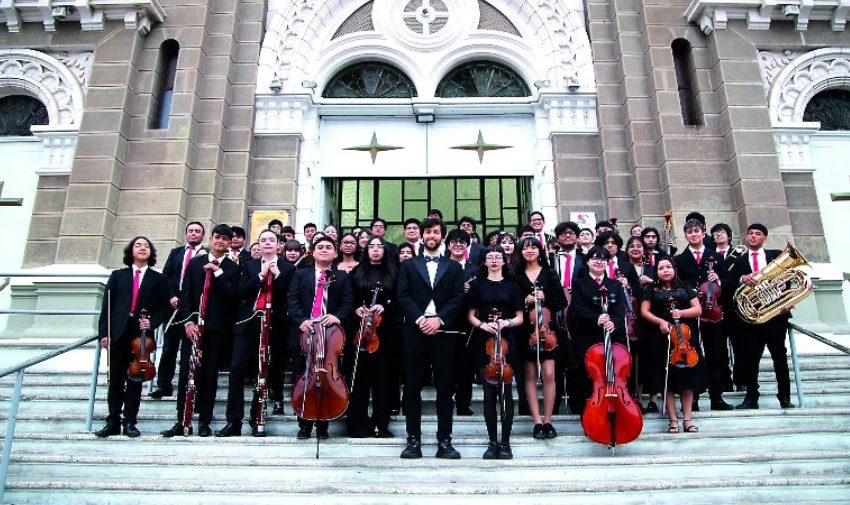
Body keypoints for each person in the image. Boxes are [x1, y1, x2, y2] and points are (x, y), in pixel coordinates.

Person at [162, 224, 239, 438]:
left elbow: (233, 298)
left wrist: (219, 273)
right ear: (211, 239)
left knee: (210, 375)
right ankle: (182, 420)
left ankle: (205, 421)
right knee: (187, 372)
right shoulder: (196, 264)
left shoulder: (232, 269)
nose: (220, 241)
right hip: (193, 328)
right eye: (217, 237)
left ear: (229, 242)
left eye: (225, 239)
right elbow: (185, 295)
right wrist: (188, 322)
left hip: (216, 330)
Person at [397, 218, 465, 459]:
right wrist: (420, 320)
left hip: (443, 333)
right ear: (422, 236)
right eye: (428, 232)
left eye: (436, 232)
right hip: (415, 332)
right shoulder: (409, 265)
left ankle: (444, 441)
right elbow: (402, 296)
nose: (432, 236)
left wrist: (439, 319)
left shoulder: (454, 267)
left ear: (442, 236)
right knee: (412, 387)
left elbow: (458, 298)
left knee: (445, 388)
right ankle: (413, 440)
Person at [216, 230, 295, 437]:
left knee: (266, 372)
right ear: (258, 245)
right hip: (247, 323)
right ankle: (233, 421)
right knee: (237, 368)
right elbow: (239, 292)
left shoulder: (288, 268)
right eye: (263, 240)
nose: (267, 243)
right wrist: (261, 276)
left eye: (272, 240)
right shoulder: (249, 266)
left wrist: (276, 274)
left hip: (275, 325)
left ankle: (257, 418)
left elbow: (291, 294)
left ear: (279, 245)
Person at [94, 237, 170, 438]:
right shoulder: (118, 276)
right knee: (116, 379)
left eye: (146, 246)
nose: (142, 248)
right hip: (118, 332)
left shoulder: (158, 278)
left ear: (151, 253)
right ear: (131, 251)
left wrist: (152, 322)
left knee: (136, 378)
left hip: (141, 336)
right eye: (138, 245)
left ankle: (130, 421)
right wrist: (104, 333)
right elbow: (107, 306)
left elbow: (164, 308)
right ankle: (112, 421)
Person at [287, 235, 355, 439]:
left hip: (330, 335)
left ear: (335, 253)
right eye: (320, 247)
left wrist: (337, 317)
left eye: (328, 247)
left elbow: (348, 302)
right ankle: (304, 422)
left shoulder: (342, 277)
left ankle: (324, 422)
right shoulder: (301, 275)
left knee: (328, 378)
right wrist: (301, 321)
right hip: (305, 333)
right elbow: (293, 299)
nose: (324, 250)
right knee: (304, 376)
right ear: (313, 252)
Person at [728, 224, 797, 410]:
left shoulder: (775, 256)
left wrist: (786, 303)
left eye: (757, 234)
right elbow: (730, 282)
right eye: (750, 234)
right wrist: (742, 279)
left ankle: (785, 397)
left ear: (764, 237)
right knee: (751, 358)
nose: (753, 237)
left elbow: (787, 279)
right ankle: (752, 397)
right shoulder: (739, 261)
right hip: (753, 317)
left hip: (775, 316)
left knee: (779, 358)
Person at [467, 245, 524, 459]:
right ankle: (492, 442)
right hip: (485, 342)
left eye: (497, 257)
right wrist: (483, 325)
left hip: (508, 341)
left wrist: (506, 322)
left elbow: (520, 317)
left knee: (506, 393)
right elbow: (471, 315)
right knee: (489, 394)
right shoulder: (477, 286)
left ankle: (506, 442)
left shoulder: (513, 286)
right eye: (489, 257)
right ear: (484, 262)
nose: (493, 260)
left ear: (503, 261)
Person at [640, 256, 706, 434]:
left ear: (674, 269)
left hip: (684, 339)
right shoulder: (651, 289)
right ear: (656, 272)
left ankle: (688, 419)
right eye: (661, 268)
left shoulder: (684, 287)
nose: (665, 270)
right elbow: (644, 311)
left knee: (687, 380)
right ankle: (673, 420)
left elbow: (697, 309)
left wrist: (681, 313)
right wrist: (661, 322)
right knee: (667, 380)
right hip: (661, 339)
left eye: (668, 267)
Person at [673, 219, 734, 411]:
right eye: (689, 232)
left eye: (697, 231)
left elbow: (730, 282)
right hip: (691, 315)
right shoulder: (680, 260)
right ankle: (694, 399)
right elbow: (675, 286)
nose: (693, 234)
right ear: (685, 236)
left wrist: (719, 281)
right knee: (694, 356)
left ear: (703, 233)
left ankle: (717, 397)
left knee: (715, 354)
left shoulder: (715, 256)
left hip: (713, 313)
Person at [515, 237, 567, 438]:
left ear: (539, 250)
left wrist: (546, 299)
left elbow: (561, 302)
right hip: (525, 331)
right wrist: (523, 300)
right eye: (525, 247)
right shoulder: (516, 276)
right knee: (529, 375)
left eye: (533, 247)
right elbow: (511, 302)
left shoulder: (549, 274)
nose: (529, 250)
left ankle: (548, 420)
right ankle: (536, 421)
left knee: (549, 373)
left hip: (547, 330)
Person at [348, 236, 398, 438]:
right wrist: (357, 309)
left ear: (385, 250)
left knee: (383, 381)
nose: (375, 250)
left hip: (385, 334)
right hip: (360, 333)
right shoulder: (356, 272)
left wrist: (385, 306)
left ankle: (380, 425)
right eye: (372, 246)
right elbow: (348, 298)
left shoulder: (394, 272)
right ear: (366, 250)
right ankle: (357, 426)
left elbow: (400, 299)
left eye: (380, 246)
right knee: (358, 381)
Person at [151, 221, 206, 399]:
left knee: (191, 350)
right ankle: (164, 384)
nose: (194, 234)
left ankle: (191, 387)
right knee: (169, 347)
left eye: (197, 231)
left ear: (203, 236)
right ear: (186, 233)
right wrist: (171, 296)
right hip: (174, 305)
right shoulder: (176, 253)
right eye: (191, 231)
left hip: (193, 307)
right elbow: (165, 276)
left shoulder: (206, 255)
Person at [569, 246, 628, 407]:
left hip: (612, 334)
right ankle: (589, 411)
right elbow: (578, 307)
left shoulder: (615, 285)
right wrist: (597, 318)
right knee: (588, 373)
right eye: (594, 258)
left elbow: (620, 307)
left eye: (602, 259)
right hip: (587, 335)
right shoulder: (579, 284)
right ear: (587, 261)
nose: (598, 261)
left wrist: (613, 322)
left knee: (614, 371)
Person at [550, 221, 586, 414]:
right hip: (556, 313)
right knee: (555, 360)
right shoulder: (550, 259)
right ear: (558, 238)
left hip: (578, 313)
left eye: (571, 233)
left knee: (577, 360)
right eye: (563, 234)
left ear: (577, 237)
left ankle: (577, 404)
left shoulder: (586, 258)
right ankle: (554, 405)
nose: (567, 236)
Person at [446, 229, 478, 416]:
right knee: (446, 365)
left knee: (466, 366)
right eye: (454, 242)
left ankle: (463, 404)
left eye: (462, 242)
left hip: (468, 323)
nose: (458, 245)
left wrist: (469, 291)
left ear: (467, 245)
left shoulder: (475, 270)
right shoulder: (441, 266)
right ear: (448, 245)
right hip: (446, 322)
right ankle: (446, 401)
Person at [624, 236, 657, 412]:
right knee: (634, 361)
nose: (635, 249)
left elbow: (664, 286)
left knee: (651, 359)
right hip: (631, 319)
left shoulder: (653, 268)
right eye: (631, 246)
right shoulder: (623, 269)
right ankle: (635, 397)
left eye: (639, 246)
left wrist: (652, 283)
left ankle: (653, 398)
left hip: (651, 317)